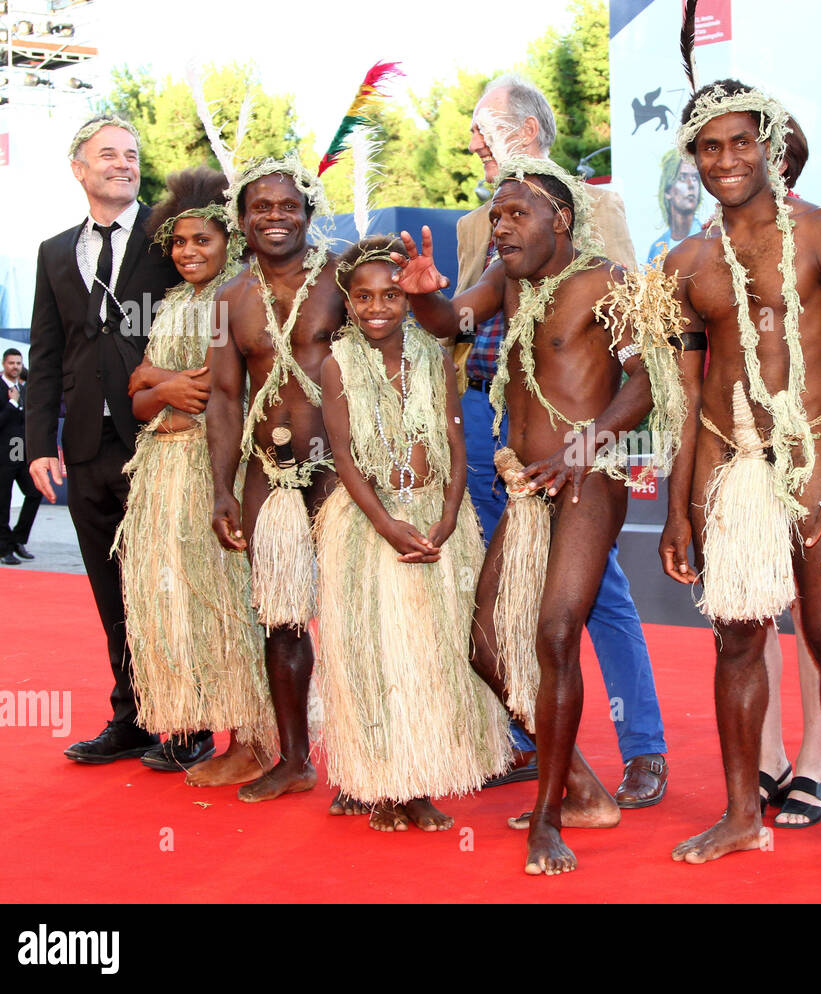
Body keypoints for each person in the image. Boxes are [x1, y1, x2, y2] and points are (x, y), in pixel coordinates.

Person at [398, 156, 681, 874]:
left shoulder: (606, 282)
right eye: (495, 216)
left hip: (588, 482)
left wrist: (586, 447)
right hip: (524, 487)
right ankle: (582, 786)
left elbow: (649, 379)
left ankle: (550, 818)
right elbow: (447, 324)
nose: (500, 226)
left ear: (560, 218)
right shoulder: (507, 283)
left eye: (515, 214)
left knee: (555, 633)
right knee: (486, 647)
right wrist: (426, 296)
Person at [657, 74, 821, 873]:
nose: (726, 159)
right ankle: (740, 814)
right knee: (736, 642)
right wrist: (677, 511)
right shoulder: (684, 263)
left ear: (769, 145)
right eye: (709, 146)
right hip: (727, 468)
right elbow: (686, 396)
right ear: (692, 158)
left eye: (741, 141)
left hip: (814, 461)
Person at [459, 73, 668, 808]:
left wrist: (596, 443)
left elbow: (630, 342)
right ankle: (540, 746)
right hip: (491, 426)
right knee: (509, 594)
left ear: (527, 130)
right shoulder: (473, 224)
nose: (474, 142)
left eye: (484, 128)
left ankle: (642, 746)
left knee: (592, 594)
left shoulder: (597, 208)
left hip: (581, 440)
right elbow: (458, 317)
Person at [316, 236, 510, 833]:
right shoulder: (336, 363)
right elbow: (344, 457)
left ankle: (418, 783)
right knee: (376, 653)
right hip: (372, 525)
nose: (378, 307)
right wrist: (384, 523)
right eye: (364, 297)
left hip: (434, 518)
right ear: (348, 304)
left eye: (392, 295)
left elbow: (456, 441)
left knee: (430, 652)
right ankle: (379, 782)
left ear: (407, 301)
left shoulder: (432, 354)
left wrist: (450, 516)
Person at [26, 115, 181, 765]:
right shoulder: (55, 252)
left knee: (171, 584)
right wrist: (39, 443)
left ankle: (191, 722)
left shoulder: (170, 236)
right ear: (79, 169)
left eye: (132, 154)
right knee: (111, 589)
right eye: (108, 154)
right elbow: (47, 352)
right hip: (87, 448)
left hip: (163, 441)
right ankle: (134, 717)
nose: (124, 163)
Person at [112, 167, 275, 780]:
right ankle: (212, 728)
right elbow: (136, 393)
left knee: (230, 600)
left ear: (228, 242)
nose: (187, 252)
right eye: (179, 243)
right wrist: (164, 389)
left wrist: (164, 388)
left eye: (201, 240)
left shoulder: (230, 300)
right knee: (184, 601)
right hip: (162, 475)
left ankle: (254, 740)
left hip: (213, 472)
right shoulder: (176, 302)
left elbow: (214, 393)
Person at [206, 155, 344, 803]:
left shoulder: (343, 278)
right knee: (282, 620)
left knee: (355, 615)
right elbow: (224, 401)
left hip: (344, 470)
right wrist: (221, 489)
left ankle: (369, 767)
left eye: (288, 206)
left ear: (308, 212)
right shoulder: (228, 300)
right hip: (269, 472)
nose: (275, 217)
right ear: (241, 220)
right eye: (260, 207)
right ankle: (294, 759)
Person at [758, 115, 821, 829]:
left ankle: (814, 758)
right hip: (740, 453)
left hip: (817, 449)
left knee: (818, 614)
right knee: (752, 609)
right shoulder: (713, 247)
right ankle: (767, 753)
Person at [0, 348, 40, 564]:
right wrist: (12, 403)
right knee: (3, 502)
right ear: (4, 365)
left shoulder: (25, 390)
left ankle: (18, 539)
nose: (15, 367)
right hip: (0, 456)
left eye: (18, 363)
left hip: (21, 454)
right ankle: (4, 549)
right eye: (11, 363)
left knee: (34, 493)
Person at [647, 151, 703, 263]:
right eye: (682, 177)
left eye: (695, 178)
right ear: (668, 190)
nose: (691, 184)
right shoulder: (657, 249)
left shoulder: (709, 239)